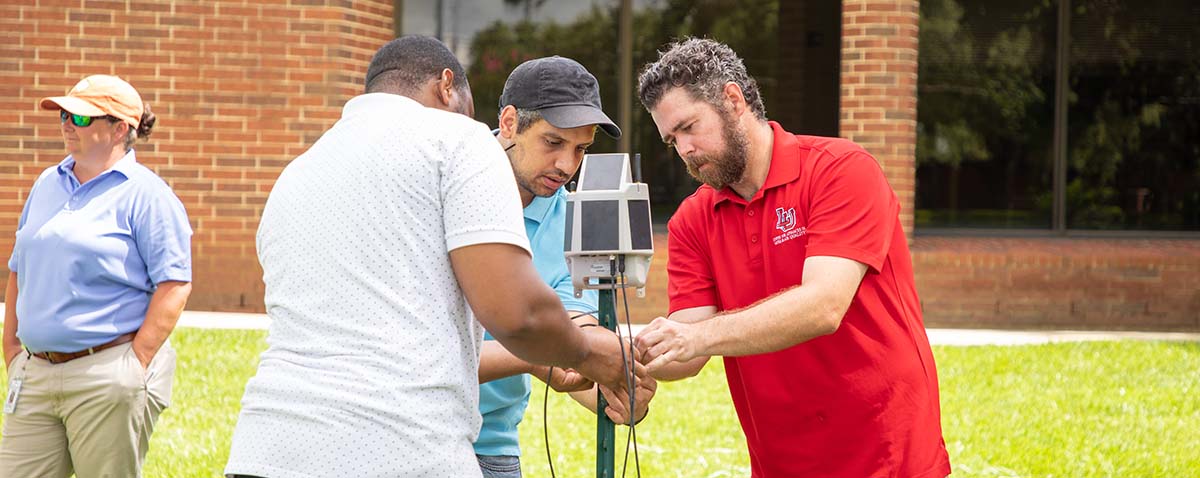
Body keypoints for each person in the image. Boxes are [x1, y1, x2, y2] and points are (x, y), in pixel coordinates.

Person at [224, 36, 639, 478]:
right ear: (447, 87)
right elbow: (519, 317)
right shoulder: (459, 138)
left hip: (265, 448)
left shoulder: (297, 172)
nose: (566, 163)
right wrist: (587, 355)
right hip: (401, 447)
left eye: (579, 149)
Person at [632, 38, 952, 477]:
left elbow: (823, 306)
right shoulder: (692, 221)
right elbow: (687, 349)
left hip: (888, 454)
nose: (683, 149)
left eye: (689, 127)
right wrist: (629, 356)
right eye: (672, 140)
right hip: (783, 461)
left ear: (733, 99)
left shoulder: (841, 170)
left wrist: (698, 337)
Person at [0, 74, 192, 478]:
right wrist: (13, 349)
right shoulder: (46, 183)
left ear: (121, 128)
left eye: (82, 118)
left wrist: (134, 363)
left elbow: (174, 283)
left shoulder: (148, 195)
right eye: (65, 115)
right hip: (33, 374)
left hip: (105, 375)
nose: (68, 124)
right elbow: (20, 266)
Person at [475, 56, 656, 477]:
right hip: (406, 429)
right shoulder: (444, 176)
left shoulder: (568, 220)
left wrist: (622, 394)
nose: (567, 165)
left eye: (580, 149)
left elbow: (575, 336)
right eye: (552, 143)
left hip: (492, 444)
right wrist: (539, 355)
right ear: (508, 123)